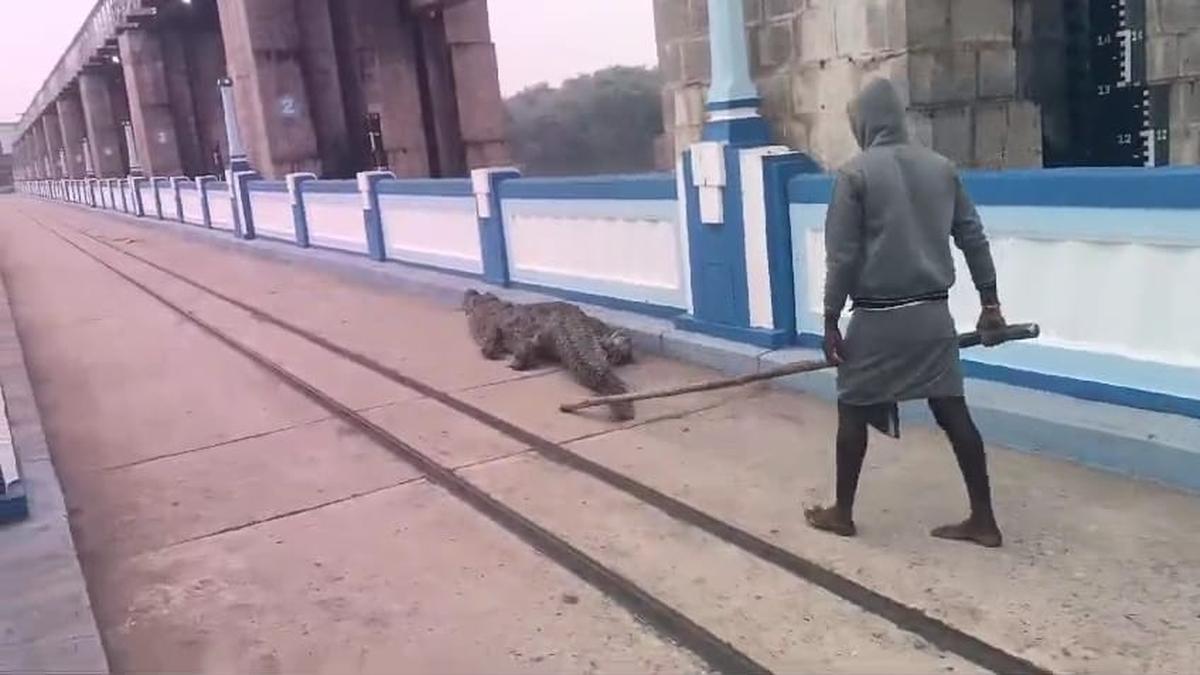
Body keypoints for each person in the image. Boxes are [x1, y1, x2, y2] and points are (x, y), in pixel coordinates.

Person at [803, 79, 1008, 548]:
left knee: (852, 410)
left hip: (877, 321)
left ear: (865, 123)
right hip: (933, 319)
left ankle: (842, 513)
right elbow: (973, 238)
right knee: (953, 412)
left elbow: (843, 258)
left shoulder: (855, 175)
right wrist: (990, 304)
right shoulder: (942, 168)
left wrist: (831, 320)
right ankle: (984, 520)